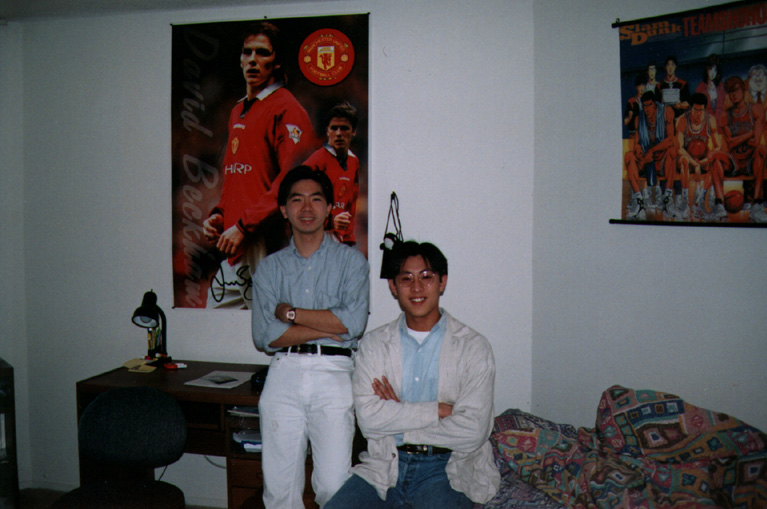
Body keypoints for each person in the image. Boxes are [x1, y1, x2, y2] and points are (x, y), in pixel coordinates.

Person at [325, 241, 500, 509]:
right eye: (406, 279)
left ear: (442, 282)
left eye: (426, 277)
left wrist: (398, 418)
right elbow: (369, 421)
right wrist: (438, 410)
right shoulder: (374, 344)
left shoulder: (473, 347)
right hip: (385, 465)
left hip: (446, 468)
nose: (416, 287)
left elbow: (474, 430)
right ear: (393, 286)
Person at [252, 166, 370, 507]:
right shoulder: (269, 268)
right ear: (283, 209)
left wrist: (291, 314)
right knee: (279, 491)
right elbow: (265, 335)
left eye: (316, 199)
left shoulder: (352, 262)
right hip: (283, 374)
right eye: (297, 200)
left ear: (329, 208)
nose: (307, 208)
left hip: (334, 374)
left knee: (333, 486)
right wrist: (333, 324)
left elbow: (354, 323)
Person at [203, 22, 318, 309]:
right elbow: (237, 178)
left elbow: (293, 181)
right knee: (215, 318)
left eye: (263, 53)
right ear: (240, 58)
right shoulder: (237, 110)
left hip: (266, 243)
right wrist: (220, 214)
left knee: (271, 325)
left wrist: (244, 226)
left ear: (277, 61)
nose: (253, 60)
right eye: (247, 52)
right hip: (237, 241)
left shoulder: (287, 108)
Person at [304, 102, 361, 245]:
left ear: (353, 131)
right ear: (327, 131)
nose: (339, 133)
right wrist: (329, 222)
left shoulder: (353, 161)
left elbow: (351, 204)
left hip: (340, 240)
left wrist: (348, 238)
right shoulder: (315, 162)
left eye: (344, 128)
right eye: (334, 128)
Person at [718, 76, 767, 223]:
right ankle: (718, 205)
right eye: (730, 92)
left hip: (751, 159)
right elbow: (731, 144)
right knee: (716, 157)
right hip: (735, 160)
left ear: (743, 90)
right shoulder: (726, 115)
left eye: (736, 90)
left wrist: (739, 139)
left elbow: (755, 141)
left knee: (761, 150)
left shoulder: (755, 109)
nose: (733, 94)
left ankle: (757, 204)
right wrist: (750, 133)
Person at [623, 91, 677, 219]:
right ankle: (639, 201)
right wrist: (640, 153)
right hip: (646, 159)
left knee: (672, 152)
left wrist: (652, 151)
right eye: (645, 106)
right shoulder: (639, 118)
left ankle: (667, 199)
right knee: (629, 156)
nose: (647, 109)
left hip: (661, 158)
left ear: (655, 104)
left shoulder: (666, 112)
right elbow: (637, 143)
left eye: (650, 105)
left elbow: (670, 140)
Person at [676, 93, 728, 221]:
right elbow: (679, 148)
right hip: (688, 159)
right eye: (696, 110)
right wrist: (695, 163)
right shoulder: (682, 120)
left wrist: (703, 162)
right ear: (690, 108)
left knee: (715, 160)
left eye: (701, 110)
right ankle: (685, 202)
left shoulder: (710, 120)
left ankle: (700, 200)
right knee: (683, 160)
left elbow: (718, 146)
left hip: (703, 160)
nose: (698, 113)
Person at [695, 54, 726, 121]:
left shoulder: (721, 86)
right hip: (706, 121)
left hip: (720, 121)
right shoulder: (701, 87)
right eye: (711, 69)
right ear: (707, 69)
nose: (713, 73)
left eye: (715, 70)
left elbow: (725, 105)